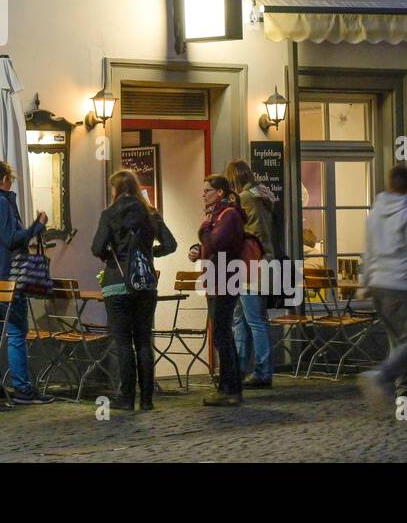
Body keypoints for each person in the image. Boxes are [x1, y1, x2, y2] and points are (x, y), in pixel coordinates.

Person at [0, 160, 52, 404]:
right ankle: (23, 389)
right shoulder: (0, 202)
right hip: (6, 278)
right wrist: (37, 226)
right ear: (4, 179)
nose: (11, 183)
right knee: (16, 332)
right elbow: (11, 239)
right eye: (11, 179)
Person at [92, 169, 177, 411]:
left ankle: (126, 398)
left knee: (122, 342)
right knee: (143, 340)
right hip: (145, 284)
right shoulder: (150, 214)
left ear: (116, 190)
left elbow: (97, 247)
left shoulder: (109, 214)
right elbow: (171, 244)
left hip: (117, 284)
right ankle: (147, 400)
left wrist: (113, 256)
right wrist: (149, 255)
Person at [357, 164, 407, 412]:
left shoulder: (375, 211)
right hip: (402, 286)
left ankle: (403, 404)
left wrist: (364, 282)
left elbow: (367, 250)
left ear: (388, 184)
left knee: (399, 345)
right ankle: (380, 376)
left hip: (379, 286)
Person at [188, 175, 245, 406]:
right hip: (215, 280)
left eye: (207, 190)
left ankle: (230, 389)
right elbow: (209, 244)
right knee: (221, 335)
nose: (203, 195)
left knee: (222, 335)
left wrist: (204, 230)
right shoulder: (216, 216)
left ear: (220, 192)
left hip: (225, 280)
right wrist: (196, 250)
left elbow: (216, 242)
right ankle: (228, 387)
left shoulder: (228, 215)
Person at [225, 160, 277, 389]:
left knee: (252, 321)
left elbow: (241, 230)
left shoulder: (244, 198)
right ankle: (243, 369)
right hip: (265, 259)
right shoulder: (263, 193)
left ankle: (261, 372)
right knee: (247, 320)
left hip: (249, 263)